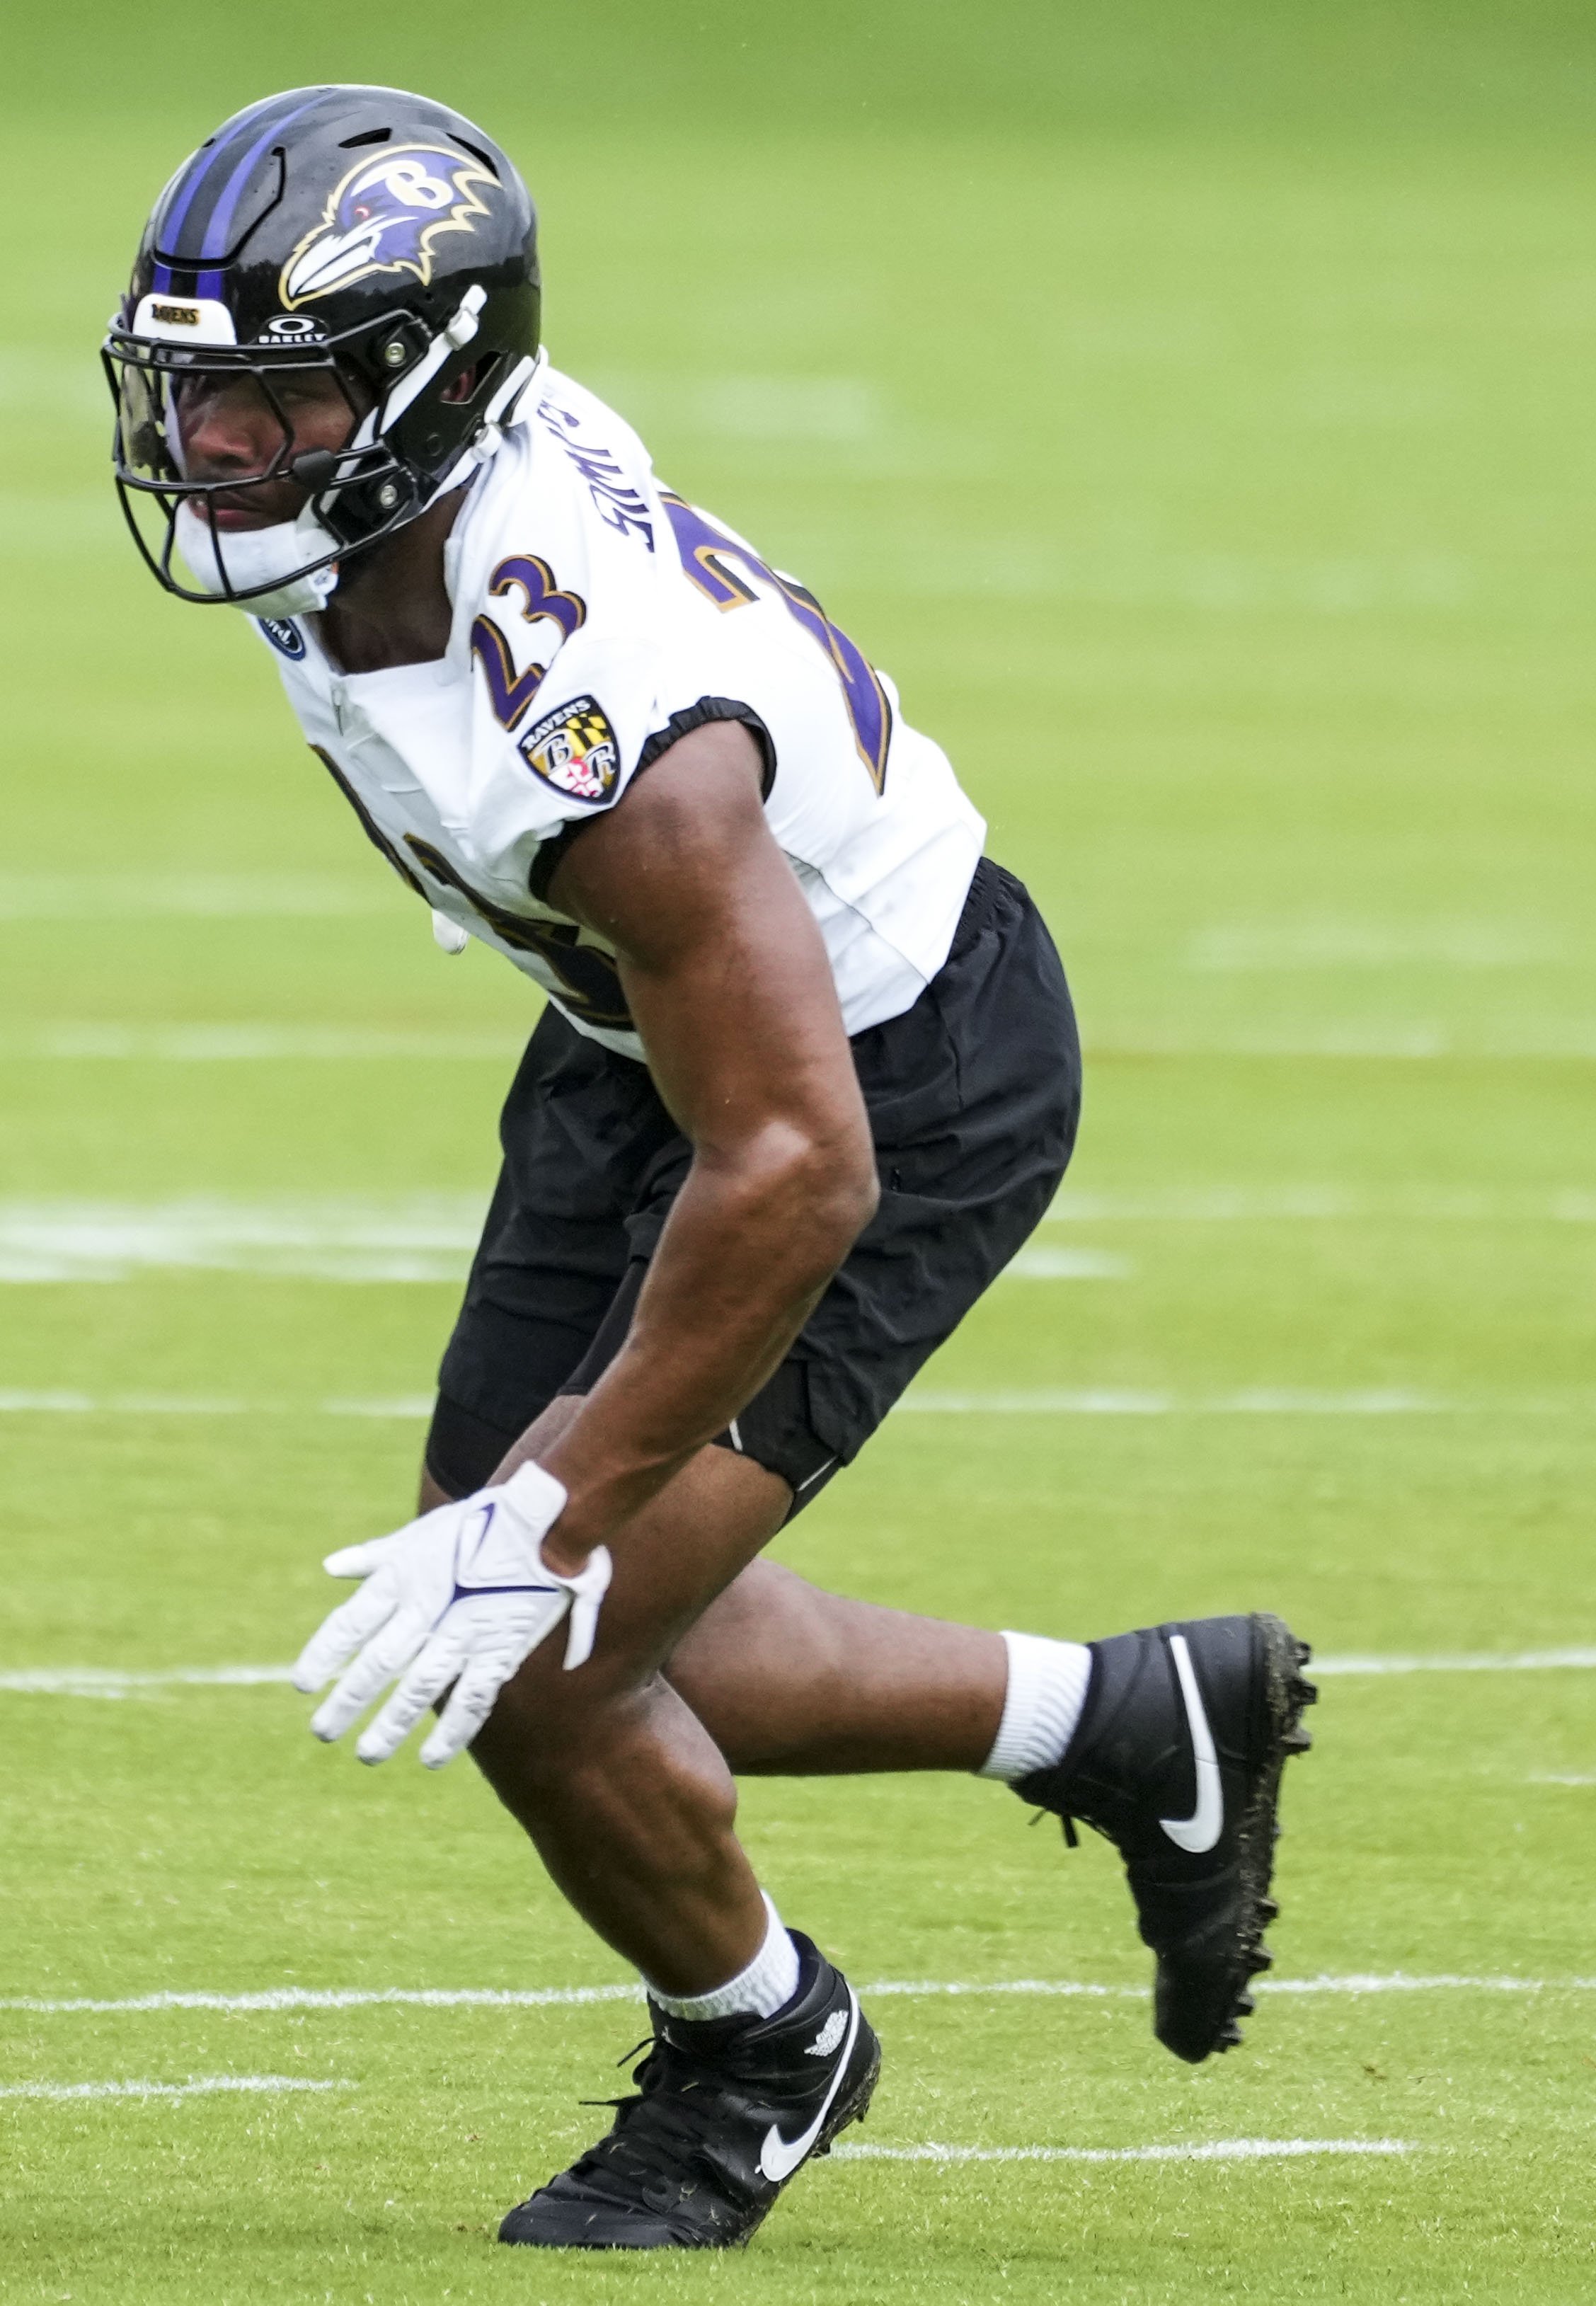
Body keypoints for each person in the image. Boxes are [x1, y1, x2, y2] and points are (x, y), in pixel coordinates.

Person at [101, 84, 1316, 2251]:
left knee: (540, 1635)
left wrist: (554, 1510)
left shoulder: (601, 732)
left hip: (867, 1084)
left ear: (426, 390)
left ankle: (766, 2044)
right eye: (192, 397)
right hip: (641, 1034)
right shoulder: (396, 502)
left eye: (271, 407)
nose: (210, 455)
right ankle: (1132, 1717)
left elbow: (796, 1158)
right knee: (557, 1607)